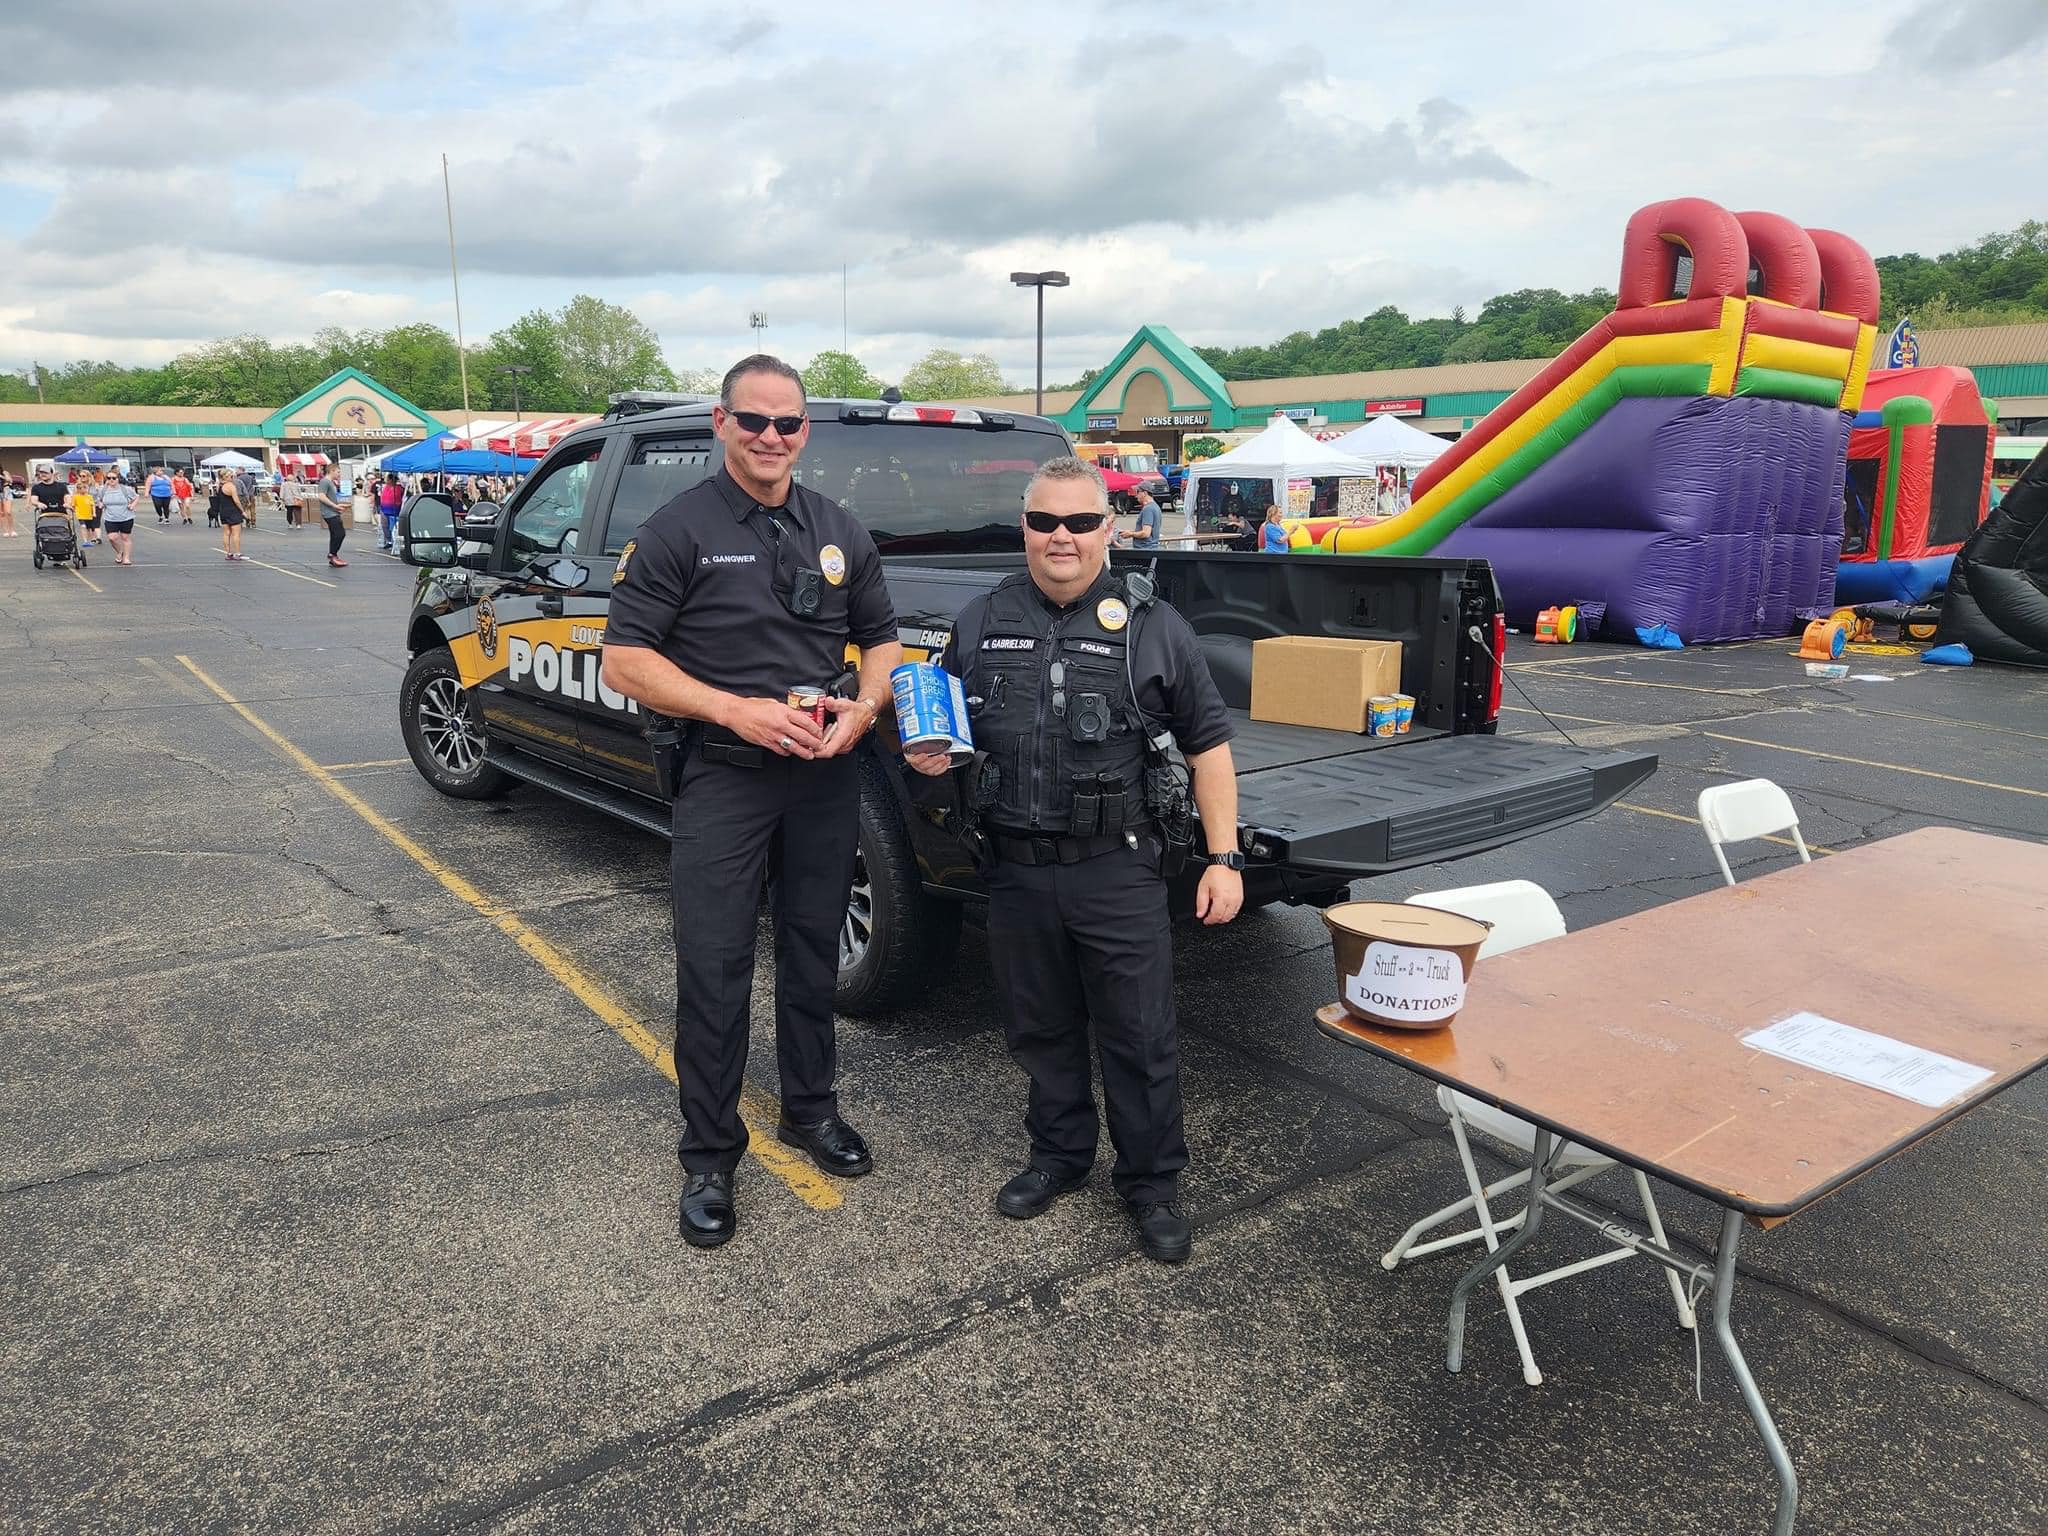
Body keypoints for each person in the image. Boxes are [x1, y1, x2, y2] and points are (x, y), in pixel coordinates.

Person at [904, 456, 1243, 1265]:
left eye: (1081, 523)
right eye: (1046, 522)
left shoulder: (1156, 628)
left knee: (1139, 1035)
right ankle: (1058, 1157)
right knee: (1040, 1029)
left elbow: (1210, 751)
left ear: (1110, 531)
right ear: (1025, 530)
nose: (1063, 538)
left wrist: (1224, 858)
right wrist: (930, 757)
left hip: (1117, 867)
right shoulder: (980, 621)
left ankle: (1152, 1184)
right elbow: (946, 732)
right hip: (1016, 869)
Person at [601, 354, 904, 1251]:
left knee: (814, 953)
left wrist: (867, 706)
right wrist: (734, 708)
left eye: (789, 423)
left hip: (823, 774)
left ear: (805, 432)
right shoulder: (676, 529)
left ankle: (810, 1111)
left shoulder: (838, 525)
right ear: (721, 425)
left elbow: (880, 639)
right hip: (726, 774)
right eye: (754, 421)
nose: (772, 437)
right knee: (717, 963)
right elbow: (626, 661)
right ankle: (709, 1154)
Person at [308, 467, 350, 567]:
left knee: (335, 534)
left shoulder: (330, 482)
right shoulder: (324, 482)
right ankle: (332, 554)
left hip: (333, 512)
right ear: (331, 471)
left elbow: (329, 498)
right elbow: (321, 497)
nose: (339, 474)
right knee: (340, 534)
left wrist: (338, 505)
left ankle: (333, 555)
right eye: (338, 472)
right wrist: (335, 506)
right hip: (329, 513)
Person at [96, 474, 138, 565]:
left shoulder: (125, 489)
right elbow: (98, 499)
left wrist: (132, 505)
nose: (111, 480)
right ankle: (120, 552)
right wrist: (100, 504)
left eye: (114, 478)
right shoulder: (103, 490)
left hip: (126, 516)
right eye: (109, 478)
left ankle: (126, 558)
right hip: (110, 517)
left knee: (125, 537)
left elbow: (136, 497)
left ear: (118, 479)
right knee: (112, 538)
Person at [213, 471, 247, 560]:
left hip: (223, 511)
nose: (232, 478)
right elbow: (236, 501)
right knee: (236, 534)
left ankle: (228, 553)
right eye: (231, 476)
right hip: (233, 511)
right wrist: (242, 511)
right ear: (225, 477)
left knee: (226, 533)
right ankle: (238, 553)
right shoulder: (231, 486)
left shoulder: (219, 486)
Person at [1117, 484, 1162, 550]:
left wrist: (1131, 534)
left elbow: (1146, 533)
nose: (1136, 495)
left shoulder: (1148, 509)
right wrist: (1130, 532)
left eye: (1138, 492)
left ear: (1145, 493)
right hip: (1151, 548)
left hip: (1144, 549)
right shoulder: (1156, 507)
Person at [69, 476, 99, 546]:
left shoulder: (89, 496)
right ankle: (85, 541)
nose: (82, 490)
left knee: (90, 528)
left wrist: (94, 513)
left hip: (89, 514)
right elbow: (73, 506)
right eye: (80, 489)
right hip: (80, 514)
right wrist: (72, 513)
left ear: (86, 489)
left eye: (84, 488)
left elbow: (92, 505)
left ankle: (92, 539)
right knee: (83, 526)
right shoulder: (75, 497)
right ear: (78, 490)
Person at [376, 473, 403, 550]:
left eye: (387, 479)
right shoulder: (385, 487)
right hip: (384, 509)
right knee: (385, 526)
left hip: (395, 511)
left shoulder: (399, 488)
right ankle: (389, 541)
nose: (386, 480)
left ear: (391, 480)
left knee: (393, 527)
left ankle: (393, 541)